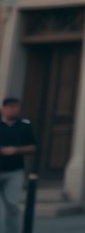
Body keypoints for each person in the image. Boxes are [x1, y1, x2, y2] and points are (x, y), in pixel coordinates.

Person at [0, 97, 36, 233]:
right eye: (10, 107)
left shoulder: (24, 125)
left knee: (13, 206)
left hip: (14, 170)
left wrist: (16, 150)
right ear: (3, 109)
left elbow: (33, 147)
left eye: (16, 106)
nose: (13, 109)